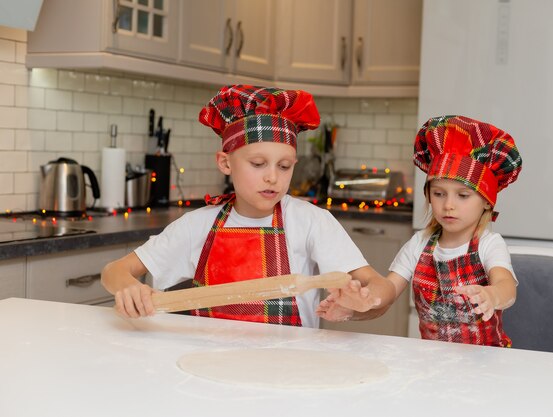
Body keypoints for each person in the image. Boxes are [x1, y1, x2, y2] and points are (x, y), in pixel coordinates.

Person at [101, 84, 394, 328]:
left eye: (284, 166)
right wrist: (129, 287)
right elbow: (114, 271)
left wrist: (363, 304)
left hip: (287, 368)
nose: (272, 177)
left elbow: (378, 286)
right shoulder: (198, 225)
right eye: (257, 164)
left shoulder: (311, 222)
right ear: (225, 163)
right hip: (210, 364)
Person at [318, 115, 523, 347]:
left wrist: (492, 295)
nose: (448, 205)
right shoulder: (420, 243)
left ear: (486, 201)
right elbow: (389, 289)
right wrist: (363, 300)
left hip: (485, 362)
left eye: (463, 195)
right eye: (438, 193)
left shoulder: (489, 244)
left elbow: (507, 287)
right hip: (432, 360)